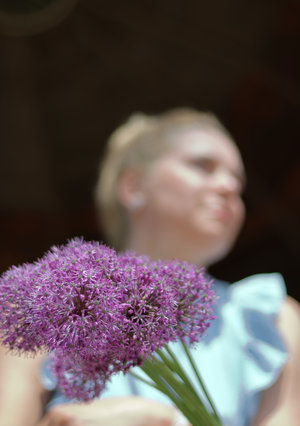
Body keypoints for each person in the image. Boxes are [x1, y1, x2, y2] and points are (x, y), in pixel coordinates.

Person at [4, 108, 300, 425]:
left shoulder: (272, 318)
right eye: (203, 166)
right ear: (133, 187)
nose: (228, 187)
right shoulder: (43, 308)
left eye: (238, 183)